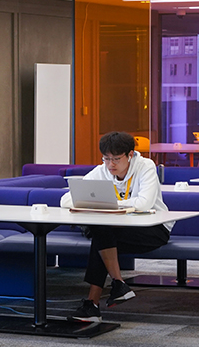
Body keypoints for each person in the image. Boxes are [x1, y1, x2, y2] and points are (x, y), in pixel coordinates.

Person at [60, 131, 174, 323]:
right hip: (116, 232)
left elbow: (145, 203)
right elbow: (65, 199)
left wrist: (109, 204)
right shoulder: (102, 170)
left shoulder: (145, 166)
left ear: (130, 155)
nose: (110, 164)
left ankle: (94, 304)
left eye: (116, 159)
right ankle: (115, 286)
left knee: (100, 238)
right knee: (102, 233)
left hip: (152, 229)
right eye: (106, 159)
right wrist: (97, 202)